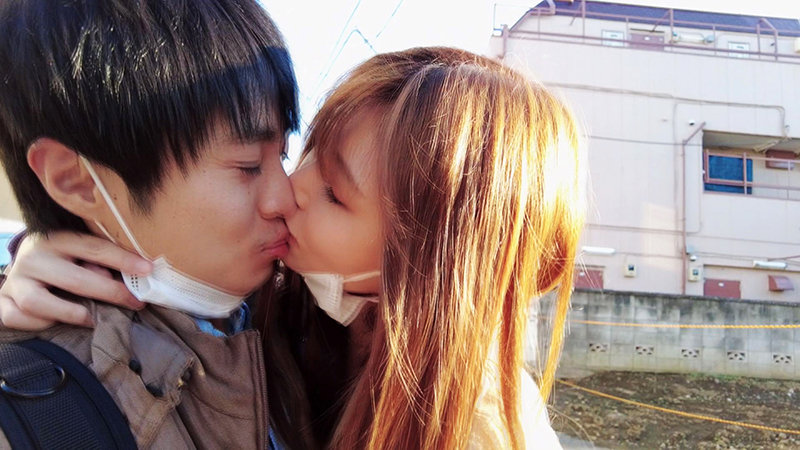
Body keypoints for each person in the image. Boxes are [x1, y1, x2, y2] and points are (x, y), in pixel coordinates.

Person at [2, 47, 586, 448]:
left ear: (431, 263)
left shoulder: (480, 426)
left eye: (333, 192)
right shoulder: (274, 306)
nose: (287, 190)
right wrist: (51, 254)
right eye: (303, 154)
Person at [0, 0, 298, 447]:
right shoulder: (36, 413)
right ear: (77, 180)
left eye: (284, 156)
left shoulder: (287, 317)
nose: (286, 199)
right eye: (248, 164)